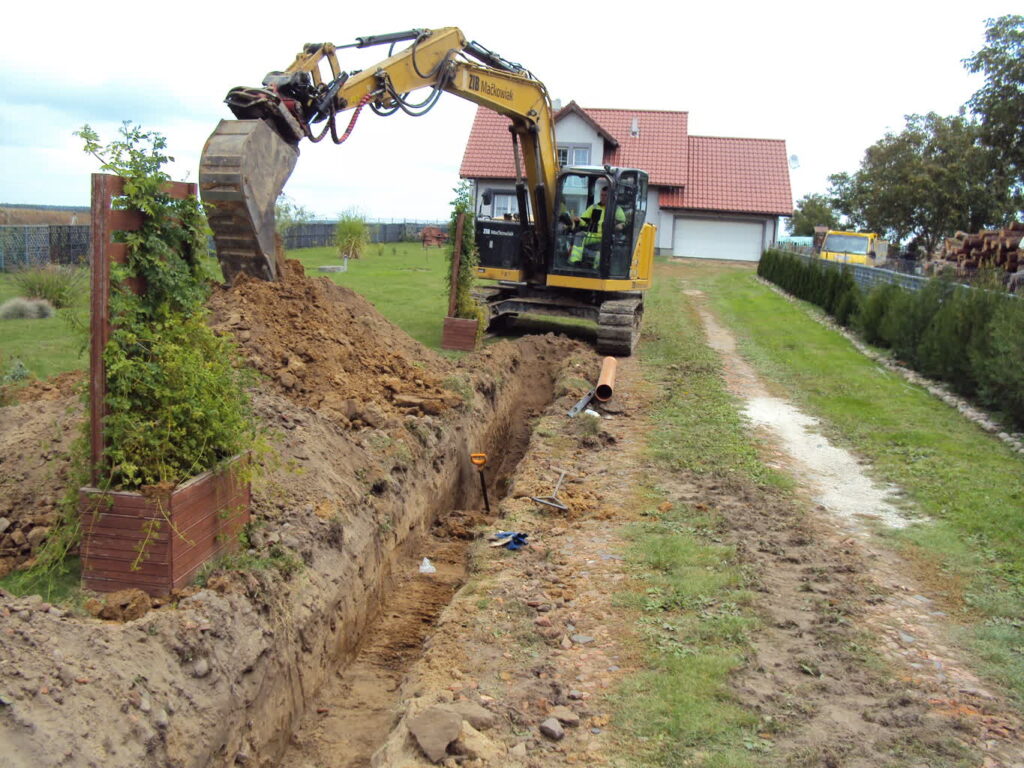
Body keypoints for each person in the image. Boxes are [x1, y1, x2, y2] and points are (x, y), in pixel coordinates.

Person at [568, 186, 626, 268]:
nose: (603, 197)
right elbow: (584, 221)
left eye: (605, 195)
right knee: (579, 235)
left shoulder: (616, 209)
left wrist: (618, 226)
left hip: (606, 237)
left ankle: (596, 268)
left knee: (603, 246)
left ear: (610, 196)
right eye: (601, 195)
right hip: (593, 235)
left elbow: (622, 223)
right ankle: (575, 261)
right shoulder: (594, 207)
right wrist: (577, 219)